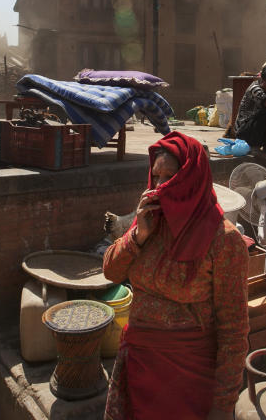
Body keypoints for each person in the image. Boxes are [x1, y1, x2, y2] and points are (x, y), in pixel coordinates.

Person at [103, 131, 249, 420]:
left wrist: (223, 405)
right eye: (155, 177)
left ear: (191, 179)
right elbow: (111, 272)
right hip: (139, 364)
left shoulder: (223, 240)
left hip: (188, 378)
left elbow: (234, 331)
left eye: (169, 177)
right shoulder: (148, 220)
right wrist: (138, 235)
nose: (158, 186)